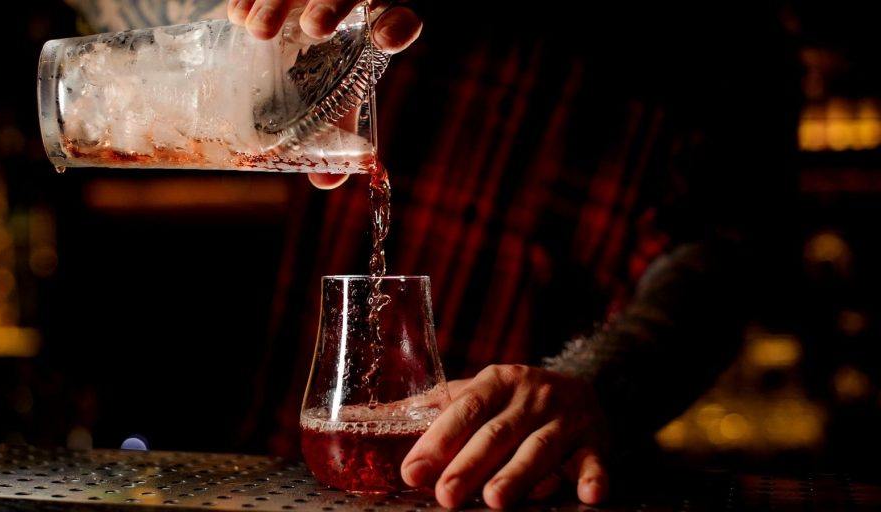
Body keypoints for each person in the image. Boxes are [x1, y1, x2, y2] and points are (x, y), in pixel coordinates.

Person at [70, 0, 799, 508]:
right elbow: (131, 20)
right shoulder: (386, 11)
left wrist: (594, 385)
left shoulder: (720, 43)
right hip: (282, 477)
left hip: (502, 490)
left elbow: (718, 268)